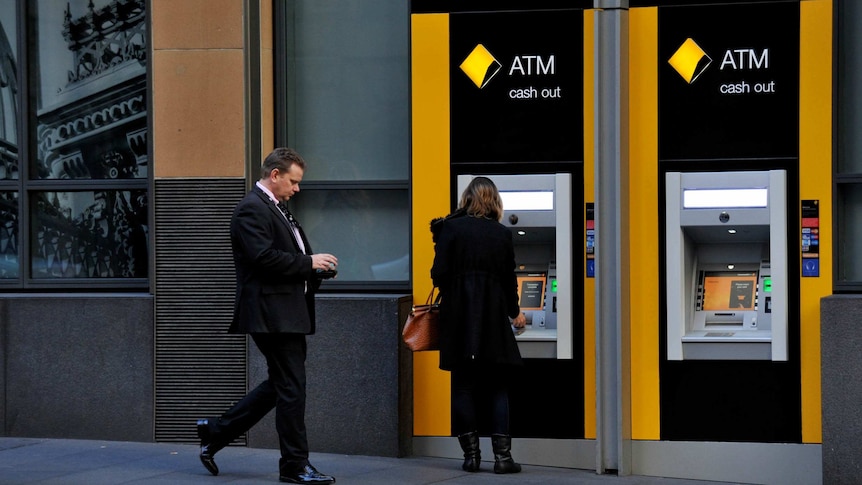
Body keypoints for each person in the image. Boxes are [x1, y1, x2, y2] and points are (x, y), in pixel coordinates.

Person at [196, 147, 338, 484]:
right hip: (270, 313)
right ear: (274, 175)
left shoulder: (274, 207)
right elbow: (263, 258)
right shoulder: (251, 209)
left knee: (282, 385)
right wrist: (309, 263)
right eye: (293, 181)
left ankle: (216, 432)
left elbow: (285, 255)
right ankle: (294, 466)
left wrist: (315, 269)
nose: (297, 188)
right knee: (292, 388)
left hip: (285, 311)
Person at [429, 176, 527, 474]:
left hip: (458, 318)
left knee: (463, 386)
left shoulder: (451, 228)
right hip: (493, 318)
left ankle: (471, 457)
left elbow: (438, 274)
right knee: (497, 387)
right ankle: (502, 459)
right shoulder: (501, 234)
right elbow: (510, 281)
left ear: (466, 199)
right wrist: (515, 313)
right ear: (495, 201)